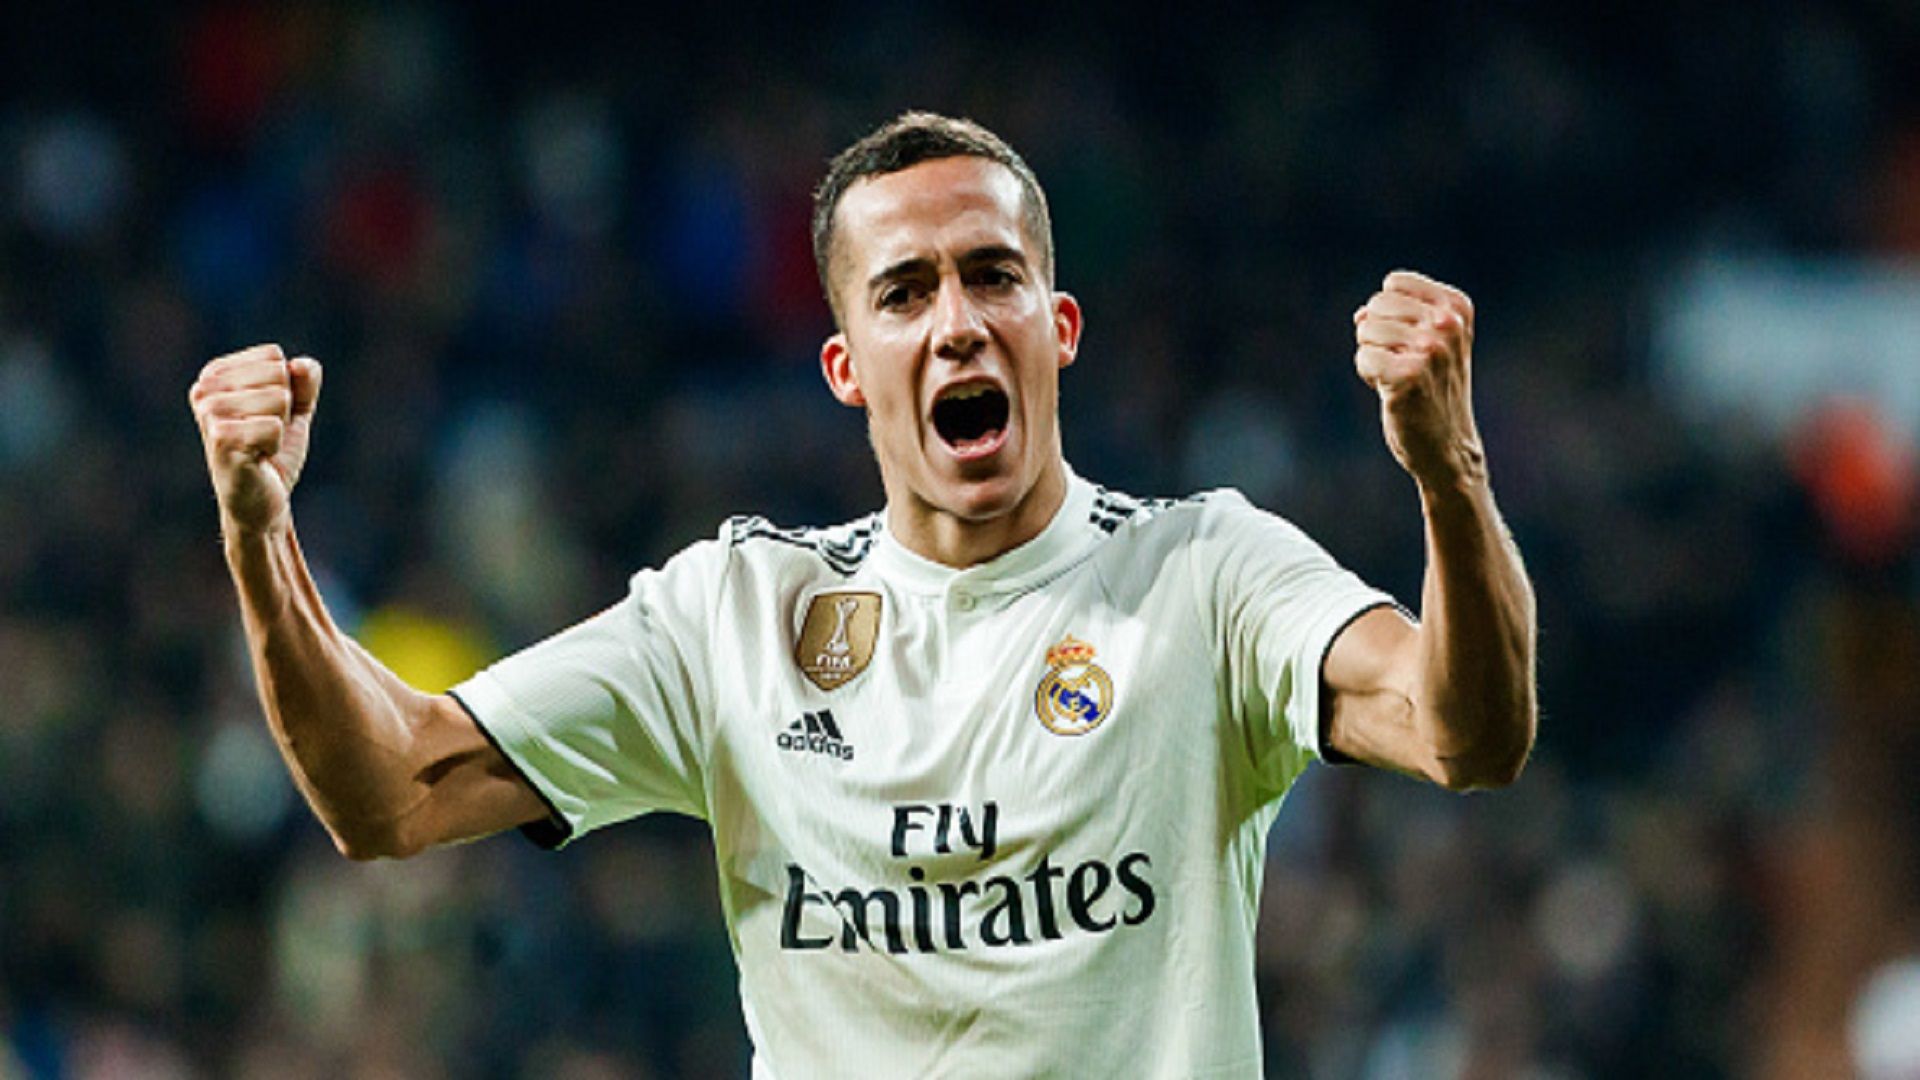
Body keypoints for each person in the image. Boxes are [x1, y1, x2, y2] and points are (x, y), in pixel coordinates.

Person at [188, 112, 1536, 1076]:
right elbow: (389, 792)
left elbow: (1467, 733)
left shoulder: (1203, 574)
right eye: (906, 290)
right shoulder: (735, 619)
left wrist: (1450, 475)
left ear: (1057, 327)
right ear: (846, 362)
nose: (958, 318)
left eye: (994, 274)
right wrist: (261, 537)